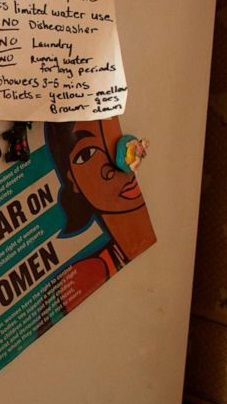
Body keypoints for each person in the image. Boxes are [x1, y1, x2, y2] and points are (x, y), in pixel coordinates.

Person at [35, 118, 157, 333]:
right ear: (72, 179)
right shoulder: (82, 275)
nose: (122, 161)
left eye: (114, 140)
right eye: (87, 154)